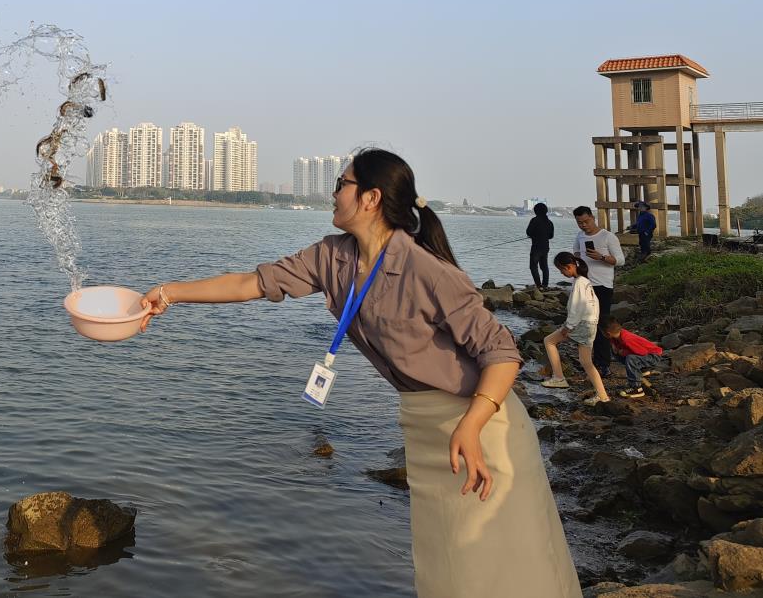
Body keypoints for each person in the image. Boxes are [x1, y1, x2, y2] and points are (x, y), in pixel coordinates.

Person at [137, 148, 582, 598]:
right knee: (444, 566)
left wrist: (472, 423)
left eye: (341, 185)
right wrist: (167, 293)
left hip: (480, 426)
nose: (332, 194)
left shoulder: (425, 269)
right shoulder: (332, 257)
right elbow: (251, 282)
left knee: (497, 566)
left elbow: (501, 352)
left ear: (370, 198)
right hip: (424, 424)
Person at [540, 253, 609, 404]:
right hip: (590, 324)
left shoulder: (579, 283)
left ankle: (559, 377)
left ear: (569, 267)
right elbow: (594, 305)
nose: (561, 273)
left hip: (581, 324)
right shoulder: (586, 282)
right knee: (586, 362)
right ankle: (602, 395)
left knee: (549, 341)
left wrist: (568, 327)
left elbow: (577, 308)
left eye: (561, 270)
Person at [572, 206, 624, 378]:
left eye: (586, 221)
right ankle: (588, 361)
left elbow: (620, 261)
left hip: (603, 286)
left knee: (601, 325)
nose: (584, 225)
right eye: (580, 223)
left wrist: (601, 257)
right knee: (585, 324)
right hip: (585, 285)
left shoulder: (607, 236)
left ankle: (604, 364)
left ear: (593, 218)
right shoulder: (579, 236)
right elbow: (576, 254)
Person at [603, 317, 665, 399]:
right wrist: (615, 347)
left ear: (608, 333)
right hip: (645, 355)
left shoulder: (627, 339)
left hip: (653, 355)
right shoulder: (616, 336)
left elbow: (642, 352)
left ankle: (636, 388)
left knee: (630, 358)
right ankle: (639, 371)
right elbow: (614, 343)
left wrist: (623, 352)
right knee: (616, 352)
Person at [526, 202, 554, 288]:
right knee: (544, 266)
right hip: (545, 247)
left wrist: (534, 235)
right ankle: (545, 285)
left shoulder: (534, 220)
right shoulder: (549, 222)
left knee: (533, 266)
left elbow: (528, 232)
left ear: (535, 211)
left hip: (536, 247)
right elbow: (551, 236)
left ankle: (538, 285)